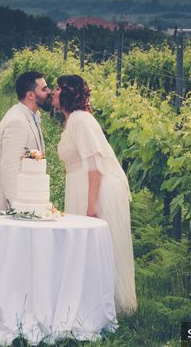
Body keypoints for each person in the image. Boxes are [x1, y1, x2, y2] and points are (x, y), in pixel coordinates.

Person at [53, 74, 137, 314]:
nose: (54, 93)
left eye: (58, 88)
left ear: (68, 93)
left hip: (96, 190)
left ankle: (109, 304)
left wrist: (91, 206)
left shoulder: (81, 120)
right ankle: (90, 301)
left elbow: (94, 165)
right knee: (87, 248)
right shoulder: (72, 121)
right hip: (82, 185)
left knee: (100, 246)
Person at [0, 70, 50, 211]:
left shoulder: (32, 114)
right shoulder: (17, 121)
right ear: (30, 95)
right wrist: (17, 209)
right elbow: (10, 168)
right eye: (44, 89)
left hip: (17, 196)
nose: (49, 92)